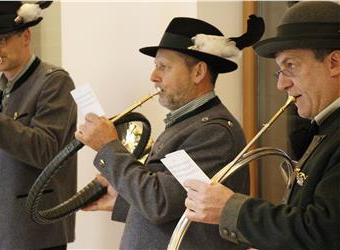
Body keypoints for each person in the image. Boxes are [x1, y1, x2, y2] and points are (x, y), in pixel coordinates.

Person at [75, 16, 264, 249]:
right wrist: (122, 200)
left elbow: (159, 204)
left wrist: (108, 147)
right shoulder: (189, 123)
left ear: (198, 72)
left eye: (164, 67)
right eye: (155, 66)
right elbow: (174, 201)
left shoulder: (214, 132)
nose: (153, 77)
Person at [183, 1, 340, 249]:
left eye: (291, 66)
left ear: (334, 63)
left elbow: (323, 232)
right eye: (280, 71)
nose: (282, 85)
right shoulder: (326, 129)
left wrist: (231, 209)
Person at [0, 1, 77, 249]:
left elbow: (46, 150)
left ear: (26, 36)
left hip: (33, 233)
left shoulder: (55, 82)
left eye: (1, 40)